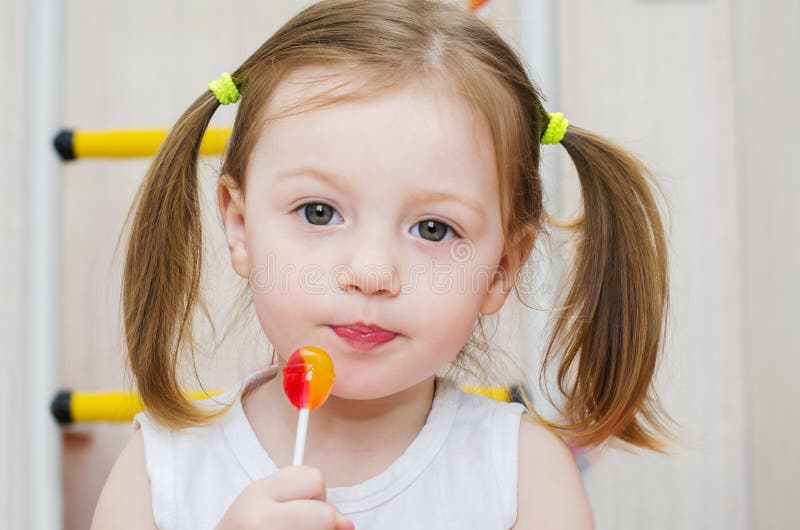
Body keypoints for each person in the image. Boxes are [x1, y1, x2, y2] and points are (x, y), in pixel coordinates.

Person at [91, 0, 676, 528]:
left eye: (433, 228)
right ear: (240, 227)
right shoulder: (160, 468)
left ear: (501, 268)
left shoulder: (526, 476)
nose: (371, 273)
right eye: (319, 212)